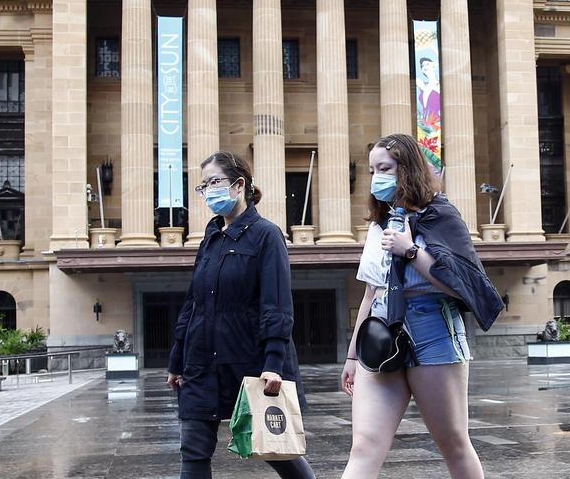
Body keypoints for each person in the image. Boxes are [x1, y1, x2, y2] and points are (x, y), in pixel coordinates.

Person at [339, 133, 504, 479]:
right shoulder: (378, 223)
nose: (376, 178)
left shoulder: (441, 215)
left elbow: (461, 284)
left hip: (433, 329)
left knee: (453, 443)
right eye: (372, 170)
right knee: (364, 444)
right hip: (381, 332)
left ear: (407, 169)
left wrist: (411, 251)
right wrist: (353, 355)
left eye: (384, 168)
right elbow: (371, 292)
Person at [167, 151, 316, 479]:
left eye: (214, 182)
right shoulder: (210, 237)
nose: (208, 190)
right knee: (192, 450)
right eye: (203, 185)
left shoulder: (266, 235)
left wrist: (274, 364)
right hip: (201, 362)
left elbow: (276, 304)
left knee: (277, 448)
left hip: (247, 361)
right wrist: (177, 361)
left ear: (238, 184)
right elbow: (193, 303)